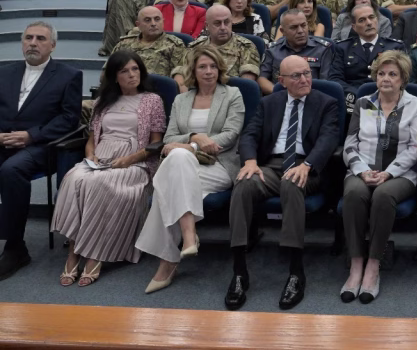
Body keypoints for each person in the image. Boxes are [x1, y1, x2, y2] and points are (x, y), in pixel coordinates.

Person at [226, 55, 341, 311]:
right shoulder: (269, 103)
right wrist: (250, 161)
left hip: (307, 166)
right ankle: (239, 271)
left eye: (307, 73)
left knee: (292, 183)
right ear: (282, 81)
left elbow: (328, 139)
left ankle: (296, 272)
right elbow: (250, 134)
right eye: (296, 76)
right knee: (243, 184)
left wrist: (307, 165)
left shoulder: (326, 103)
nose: (304, 79)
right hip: (271, 166)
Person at [52, 51, 165, 287]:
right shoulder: (102, 102)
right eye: (124, 71)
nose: (131, 74)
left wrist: (129, 159)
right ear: (114, 76)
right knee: (73, 178)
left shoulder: (152, 100)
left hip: (135, 161)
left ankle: (95, 254)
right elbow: (91, 140)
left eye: (135, 69)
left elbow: (156, 143)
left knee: (100, 184)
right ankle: (74, 251)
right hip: (101, 157)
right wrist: (90, 156)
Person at [136, 47, 245, 293]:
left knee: (169, 180)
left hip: (218, 165)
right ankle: (187, 236)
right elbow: (170, 137)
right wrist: (195, 137)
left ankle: (168, 261)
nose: (209, 72)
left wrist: (191, 146)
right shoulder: (181, 100)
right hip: (185, 165)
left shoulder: (232, 94)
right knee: (178, 162)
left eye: (213, 66)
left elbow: (231, 134)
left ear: (220, 69)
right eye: (202, 67)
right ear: (193, 71)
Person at [341, 50, 417, 305]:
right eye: (381, 73)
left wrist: (389, 173)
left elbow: (416, 147)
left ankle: (373, 266)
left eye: (392, 74)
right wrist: (361, 170)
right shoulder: (363, 103)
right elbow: (349, 144)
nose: (385, 79)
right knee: (353, 193)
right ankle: (356, 263)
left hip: (400, 174)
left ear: (403, 79)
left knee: (383, 195)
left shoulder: (416, 105)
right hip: (362, 169)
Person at [0, 22, 82, 280]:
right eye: (28, 38)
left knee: (12, 170)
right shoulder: (4, 73)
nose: (33, 43)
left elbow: (69, 119)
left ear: (53, 45)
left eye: (40, 39)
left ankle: (15, 247)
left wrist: (30, 135)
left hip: (42, 146)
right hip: (3, 140)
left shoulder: (69, 75)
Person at [326, 4, 406, 106]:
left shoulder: (395, 47)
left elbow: (404, 78)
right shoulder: (343, 48)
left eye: (371, 17)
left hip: (388, 100)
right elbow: (335, 79)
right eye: (362, 20)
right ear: (354, 27)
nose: (368, 23)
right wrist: (356, 95)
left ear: (377, 20)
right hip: (353, 102)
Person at [172, 5, 260, 90]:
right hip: (197, 94)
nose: (223, 27)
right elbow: (180, 74)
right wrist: (186, 96)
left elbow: (246, 85)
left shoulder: (246, 46)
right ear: (207, 26)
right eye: (217, 23)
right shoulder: (195, 47)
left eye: (226, 22)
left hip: (231, 96)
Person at [258, 9, 333, 94]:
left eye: (303, 25)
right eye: (294, 27)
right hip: (280, 98)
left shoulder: (322, 49)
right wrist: (286, 96)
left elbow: (325, 83)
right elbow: (262, 79)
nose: (300, 31)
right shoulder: (272, 50)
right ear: (283, 31)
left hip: (312, 97)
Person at [113, 6, 188, 77]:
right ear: (138, 24)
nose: (153, 24)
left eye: (157, 19)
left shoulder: (174, 45)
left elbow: (180, 75)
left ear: (163, 21)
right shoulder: (124, 44)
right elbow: (109, 71)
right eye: (147, 20)